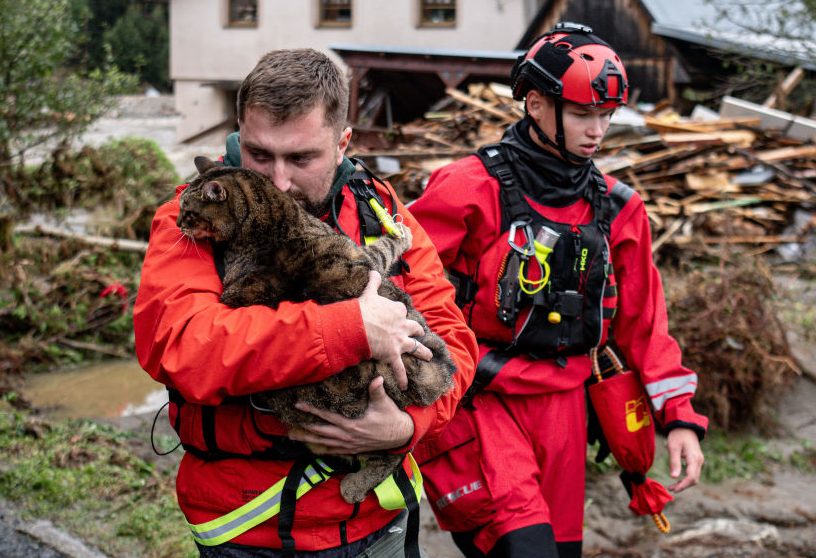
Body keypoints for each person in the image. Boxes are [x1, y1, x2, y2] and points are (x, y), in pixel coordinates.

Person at [133, 48, 478, 557]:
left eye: (300, 158)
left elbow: (454, 344)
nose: (278, 182)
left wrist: (408, 427)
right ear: (238, 132)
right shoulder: (195, 219)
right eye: (257, 154)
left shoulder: (381, 212)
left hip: (377, 527)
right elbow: (185, 347)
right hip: (250, 530)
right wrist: (351, 328)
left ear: (342, 143)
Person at [408, 23, 708, 558]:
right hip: (483, 400)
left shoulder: (619, 208)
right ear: (537, 104)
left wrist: (679, 418)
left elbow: (644, 325)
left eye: (606, 116)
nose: (598, 131)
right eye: (583, 115)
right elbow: (400, 282)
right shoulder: (468, 188)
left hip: (566, 407)